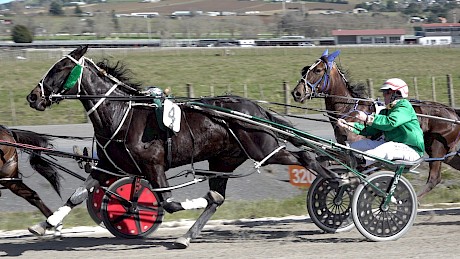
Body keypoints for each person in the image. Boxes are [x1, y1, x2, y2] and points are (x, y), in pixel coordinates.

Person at [337, 78, 424, 167]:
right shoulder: (387, 110)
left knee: (388, 147)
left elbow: (390, 122)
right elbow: (372, 130)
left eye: (387, 92)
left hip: (411, 149)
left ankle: (361, 161)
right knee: (358, 145)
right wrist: (349, 126)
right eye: (384, 92)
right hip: (395, 146)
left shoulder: (404, 107)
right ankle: (346, 162)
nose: (384, 95)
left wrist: (367, 118)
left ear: (397, 93)